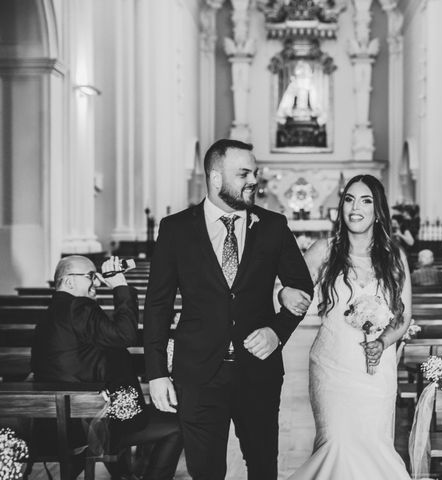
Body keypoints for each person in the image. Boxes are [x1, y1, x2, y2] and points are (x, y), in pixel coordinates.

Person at [144, 139, 314, 480]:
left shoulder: (273, 225)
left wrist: (276, 332)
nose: (254, 180)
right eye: (244, 173)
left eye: (255, 172)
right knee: (205, 471)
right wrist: (157, 371)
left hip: (258, 373)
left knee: (263, 466)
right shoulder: (175, 229)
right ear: (216, 178)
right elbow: (158, 305)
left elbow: (302, 288)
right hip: (198, 373)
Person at [281, 174, 412, 479]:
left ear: (378, 211)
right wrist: (284, 293)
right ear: (341, 208)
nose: (356, 207)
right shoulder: (323, 251)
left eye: (366, 200)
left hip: (376, 371)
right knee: (336, 445)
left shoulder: (395, 257)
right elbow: (293, 292)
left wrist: (382, 343)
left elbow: (403, 317)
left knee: (373, 446)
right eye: (349, 199)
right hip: (332, 366)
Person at [31, 255, 182, 480]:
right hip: (94, 422)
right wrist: (121, 286)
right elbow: (125, 335)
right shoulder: (78, 307)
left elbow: (96, 354)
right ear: (69, 282)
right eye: (90, 276)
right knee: (179, 425)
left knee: (157, 413)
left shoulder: (51, 314)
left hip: (59, 422)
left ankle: (128, 474)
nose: (98, 282)